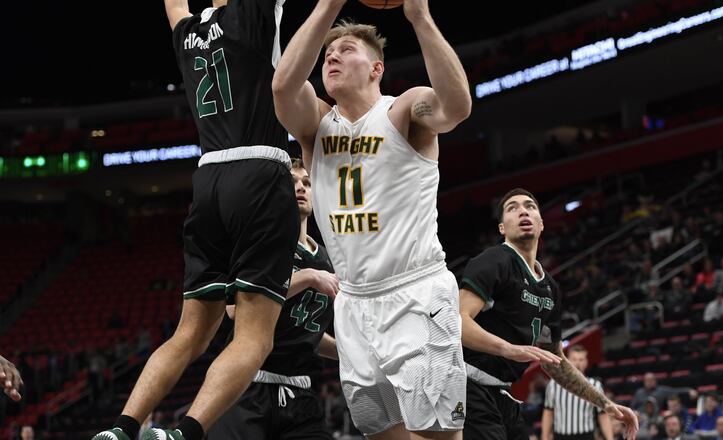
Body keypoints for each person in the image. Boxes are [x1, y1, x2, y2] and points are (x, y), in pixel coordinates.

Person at [92, 0, 298, 439]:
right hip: (259, 169)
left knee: (190, 332)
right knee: (254, 336)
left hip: (207, 180)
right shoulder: (254, 12)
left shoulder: (186, 31)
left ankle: (120, 430)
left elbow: (173, 4)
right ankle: (185, 433)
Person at [272, 0, 473, 437]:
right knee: (383, 433)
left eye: (346, 49)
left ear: (376, 68)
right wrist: (328, 6)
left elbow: (456, 108)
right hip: (353, 303)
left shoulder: (404, 109)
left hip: (415, 293)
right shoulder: (316, 126)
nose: (333, 56)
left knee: (437, 433)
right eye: (329, 53)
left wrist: (420, 16)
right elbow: (283, 88)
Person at [458, 189, 638, 440]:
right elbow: (457, 321)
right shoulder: (494, 260)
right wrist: (507, 348)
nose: (523, 210)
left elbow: (555, 360)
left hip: (503, 392)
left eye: (530, 206)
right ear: (502, 228)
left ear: (541, 223)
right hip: (465, 382)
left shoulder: (550, 289)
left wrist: (604, 403)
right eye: (512, 208)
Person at [208, 158, 339, 440]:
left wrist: (347, 351)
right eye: (291, 182)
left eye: (306, 182)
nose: (300, 188)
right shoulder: (259, 242)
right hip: (245, 386)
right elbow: (234, 308)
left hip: (299, 391)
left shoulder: (328, 258)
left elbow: (307, 331)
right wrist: (307, 277)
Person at [542, 345, 614, 440]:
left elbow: (603, 416)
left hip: (586, 436)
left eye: (581, 359)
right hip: (561, 436)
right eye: (574, 359)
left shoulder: (595, 385)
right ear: (567, 361)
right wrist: (544, 437)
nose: (577, 363)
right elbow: (548, 413)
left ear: (586, 362)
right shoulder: (554, 384)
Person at [631, 373, 697, 412]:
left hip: (657, 418)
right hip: (642, 418)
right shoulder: (639, 392)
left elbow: (676, 390)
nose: (650, 382)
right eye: (647, 380)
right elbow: (632, 407)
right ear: (644, 382)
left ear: (655, 381)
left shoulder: (661, 390)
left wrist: (689, 390)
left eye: (651, 380)